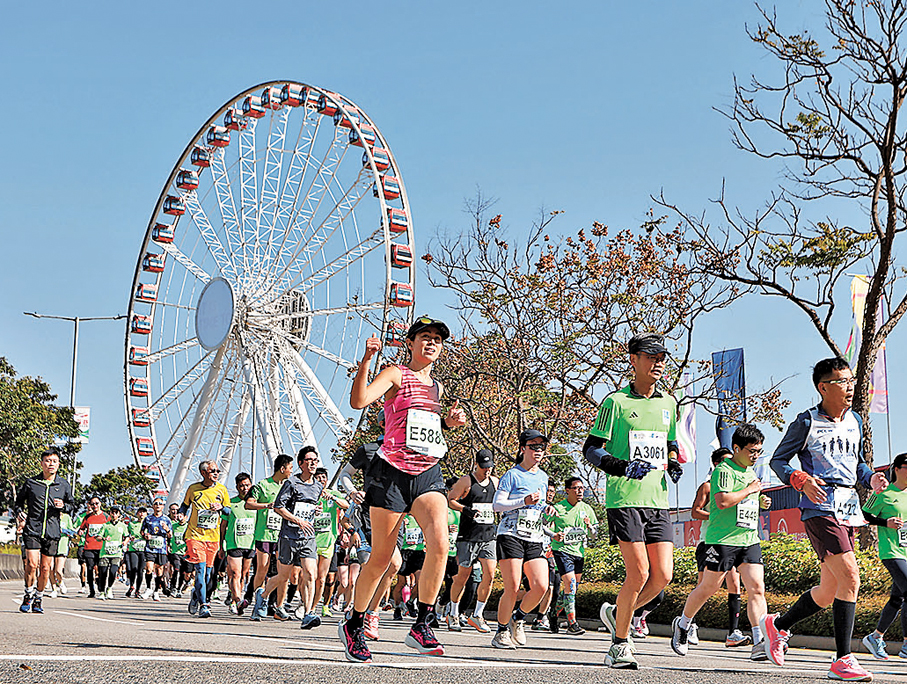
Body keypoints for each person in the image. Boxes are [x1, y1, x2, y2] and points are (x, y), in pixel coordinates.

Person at [339, 316, 466, 663]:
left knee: (440, 542)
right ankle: (355, 623)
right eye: (425, 337)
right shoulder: (395, 373)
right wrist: (367, 361)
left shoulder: (436, 387)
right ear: (410, 343)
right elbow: (360, 399)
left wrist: (448, 423)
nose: (431, 343)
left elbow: (421, 424)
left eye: (438, 339)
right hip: (391, 473)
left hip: (427, 472)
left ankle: (422, 623)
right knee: (381, 558)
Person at [763, 357, 887, 682]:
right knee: (851, 577)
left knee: (828, 590)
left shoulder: (855, 420)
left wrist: (871, 477)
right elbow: (778, 460)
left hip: (847, 505)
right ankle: (843, 660)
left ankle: (777, 625)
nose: (850, 387)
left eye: (851, 380)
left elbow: (857, 463)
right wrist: (800, 479)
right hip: (818, 507)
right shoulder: (805, 422)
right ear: (823, 387)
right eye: (843, 381)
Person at [583, 332, 683, 670]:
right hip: (625, 498)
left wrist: (673, 461)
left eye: (662, 358)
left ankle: (617, 613)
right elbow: (592, 450)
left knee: (663, 576)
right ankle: (619, 645)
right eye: (651, 357)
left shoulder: (669, 403)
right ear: (634, 360)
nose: (658, 364)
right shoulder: (615, 402)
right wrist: (622, 466)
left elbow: (669, 442)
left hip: (658, 499)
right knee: (638, 573)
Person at [671, 424, 771, 660]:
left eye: (759, 451)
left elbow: (745, 503)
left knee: (757, 588)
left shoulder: (750, 474)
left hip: (748, 538)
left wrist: (760, 501)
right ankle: (683, 625)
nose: (755, 456)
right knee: (709, 587)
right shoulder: (724, 470)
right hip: (722, 540)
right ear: (736, 448)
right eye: (751, 451)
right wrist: (750, 490)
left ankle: (759, 641)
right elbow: (724, 501)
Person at [337, 409, 403, 641]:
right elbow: (345, 474)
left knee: (387, 565)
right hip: (372, 514)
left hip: (398, 514)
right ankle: (368, 614)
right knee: (393, 562)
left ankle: (363, 610)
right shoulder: (368, 450)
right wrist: (353, 491)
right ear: (385, 424)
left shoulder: (405, 452)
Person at [491, 429, 552, 649]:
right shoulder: (512, 475)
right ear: (523, 449)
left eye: (541, 447)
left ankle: (518, 617)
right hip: (510, 534)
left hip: (534, 535)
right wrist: (523, 500)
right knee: (513, 586)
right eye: (533, 446)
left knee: (541, 586)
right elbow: (498, 505)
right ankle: (501, 631)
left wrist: (547, 509)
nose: (538, 451)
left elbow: (539, 505)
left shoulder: (543, 477)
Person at [686, 447, 749, 647]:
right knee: (705, 586)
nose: (729, 464)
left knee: (735, 585)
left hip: (731, 540)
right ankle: (688, 624)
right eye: (724, 460)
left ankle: (733, 633)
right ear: (715, 464)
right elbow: (695, 512)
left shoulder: (737, 486)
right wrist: (716, 515)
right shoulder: (707, 486)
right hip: (709, 541)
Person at [252, 449, 322, 626]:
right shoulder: (291, 483)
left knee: (310, 574)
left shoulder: (318, 486)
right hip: (288, 537)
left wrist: (316, 511)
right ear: (301, 463)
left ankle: (308, 613)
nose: (313, 463)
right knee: (283, 577)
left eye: (316, 460)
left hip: (308, 536)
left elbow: (311, 506)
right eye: (309, 460)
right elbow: (278, 507)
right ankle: (263, 595)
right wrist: (296, 520)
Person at [15, 447, 76, 613]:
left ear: (58, 464)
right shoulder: (31, 483)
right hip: (33, 529)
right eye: (48, 461)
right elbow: (19, 502)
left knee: (45, 568)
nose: (51, 464)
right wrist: (19, 512)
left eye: (54, 461)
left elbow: (71, 505)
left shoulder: (63, 485)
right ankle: (28, 594)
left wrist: (63, 506)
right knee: (32, 564)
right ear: (42, 463)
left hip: (52, 531)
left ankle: (39, 598)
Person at [861, 452, 907, 661]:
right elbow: (865, 513)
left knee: (897, 598)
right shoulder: (884, 493)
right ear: (896, 469)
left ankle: (875, 636)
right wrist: (885, 523)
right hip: (892, 551)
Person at [447, 449, 498, 633]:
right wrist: (465, 509)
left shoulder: (495, 482)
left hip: (488, 536)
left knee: (490, 574)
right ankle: (453, 612)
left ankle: (477, 614)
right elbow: (450, 500)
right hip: (468, 536)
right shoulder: (466, 481)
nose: (487, 471)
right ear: (476, 464)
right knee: (462, 576)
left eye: (489, 467)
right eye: (483, 467)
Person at [180, 460, 231, 618]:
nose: (216, 474)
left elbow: (229, 511)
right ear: (203, 473)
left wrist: (221, 508)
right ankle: (204, 605)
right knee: (200, 571)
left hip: (213, 538)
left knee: (208, 575)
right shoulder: (193, 489)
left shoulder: (221, 490)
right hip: (195, 536)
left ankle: (196, 594)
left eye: (217, 471)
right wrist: (181, 514)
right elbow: (184, 505)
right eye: (213, 471)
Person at [550, 476, 598, 636]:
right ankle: (572, 623)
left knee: (573, 589)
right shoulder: (558, 508)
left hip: (579, 553)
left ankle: (553, 613)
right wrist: (554, 535)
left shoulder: (587, 509)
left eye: (582, 488)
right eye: (576, 488)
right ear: (567, 490)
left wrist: (590, 527)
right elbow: (543, 525)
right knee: (570, 584)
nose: (580, 491)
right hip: (562, 551)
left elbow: (594, 535)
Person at [244, 455, 294, 607]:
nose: (291, 472)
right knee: (262, 569)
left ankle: (278, 605)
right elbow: (249, 504)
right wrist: (266, 505)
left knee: (283, 572)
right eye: (290, 468)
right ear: (282, 468)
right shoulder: (263, 485)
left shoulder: (290, 486)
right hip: (265, 533)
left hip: (283, 534)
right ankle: (256, 598)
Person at [312, 463, 349, 618]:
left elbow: (347, 505)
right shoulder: (310, 495)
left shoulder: (333, 495)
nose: (321, 480)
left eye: (323, 478)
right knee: (309, 576)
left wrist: (333, 498)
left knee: (327, 578)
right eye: (318, 477)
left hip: (329, 542)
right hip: (311, 542)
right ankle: (308, 603)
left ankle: (325, 605)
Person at [222, 472, 255, 614]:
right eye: (241, 486)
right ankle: (237, 599)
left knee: (243, 574)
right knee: (235, 573)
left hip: (250, 543)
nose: (245, 488)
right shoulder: (230, 504)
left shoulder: (255, 503)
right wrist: (221, 545)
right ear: (237, 487)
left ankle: (237, 597)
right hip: (233, 543)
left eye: (247, 485)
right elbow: (223, 526)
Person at [140, 498, 172, 600]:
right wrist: (145, 535)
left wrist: (167, 530)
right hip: (150, 548)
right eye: (155, 504)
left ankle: (156, 591)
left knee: (159, 571)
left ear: (163, 506)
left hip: (161, 549)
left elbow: (170, 535)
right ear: (153, 506)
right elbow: (142, 531)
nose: (158, 505)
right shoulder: (148, 519)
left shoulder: (167, 519)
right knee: (149, 568)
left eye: (160, 504)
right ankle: (148, 588)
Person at [77, 496, 109, 600]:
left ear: (100, 504)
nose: (95, 506)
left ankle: (101, 588)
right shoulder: (87, 517)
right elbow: (81, 528)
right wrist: (80, 531)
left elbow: (111, 529)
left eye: (96, 503)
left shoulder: (106, 517)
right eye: (92, 504)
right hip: (89, 547)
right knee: (90, 568)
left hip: (101, 548)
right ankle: (91, 590)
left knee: (101, 570)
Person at [97, 507, 128, 600]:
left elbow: (126, 536)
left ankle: (109, 588)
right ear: (110, 514)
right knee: (103, 572)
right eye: (112, 513)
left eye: (116, 513)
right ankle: (102, 591)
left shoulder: (122, 526)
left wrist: (124, 543)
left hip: (116, 553)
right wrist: (103, 538)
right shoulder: (105, 525)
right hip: (105, 553)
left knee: (113, 571)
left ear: (119, 514)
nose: (114, 515)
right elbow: (98, 536)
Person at [124, 507, 147, 598]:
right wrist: (129, 539)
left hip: (144, 550)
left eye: (143, 512)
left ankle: (138, 589)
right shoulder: (131, 524)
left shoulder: (148, 524)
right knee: (133, 568)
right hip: (133, 549)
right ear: (137, 514)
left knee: (140, 571)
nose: (141, 514)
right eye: (140, 512)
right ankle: (131, 586)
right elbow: (127, 535)